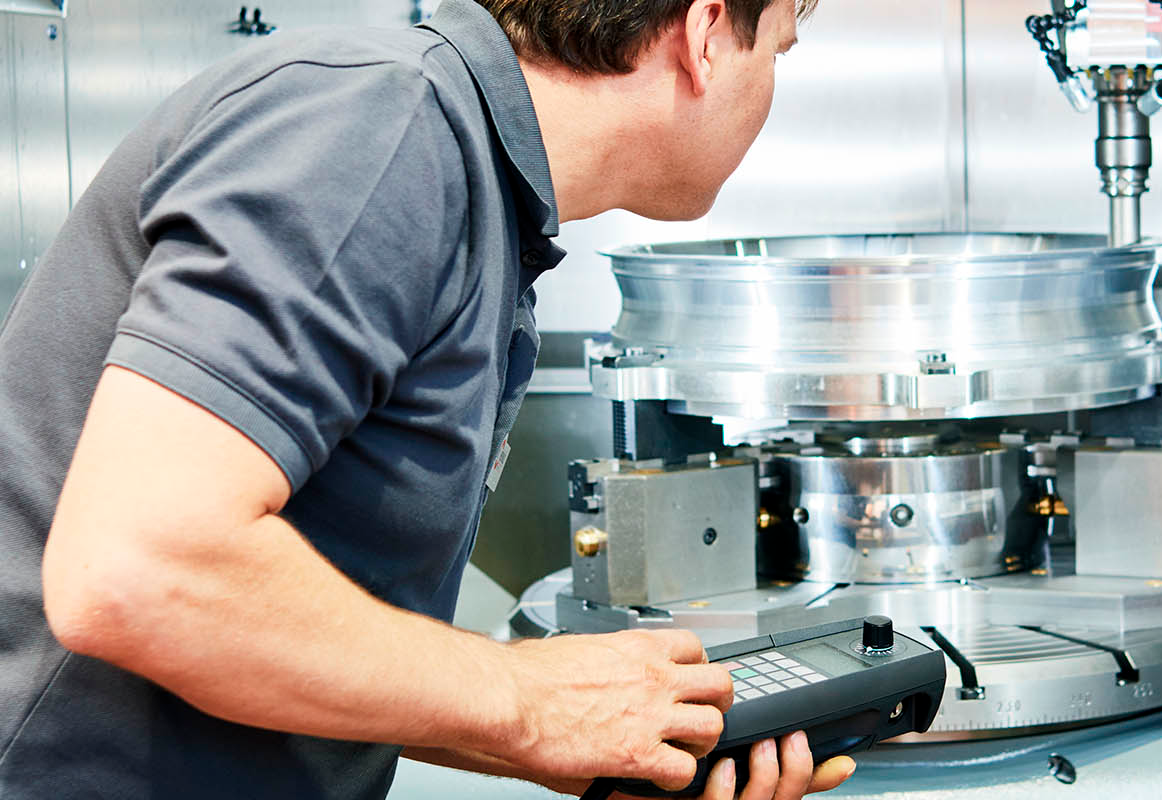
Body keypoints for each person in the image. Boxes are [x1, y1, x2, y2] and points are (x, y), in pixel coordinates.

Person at [0, 0, 854, 798]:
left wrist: (603, 736)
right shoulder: (378, 127)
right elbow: (139, 569)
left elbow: (312, 637)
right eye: (777, 51)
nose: (771, 85)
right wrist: (530, 701)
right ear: (706, 35)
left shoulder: (480, 192)